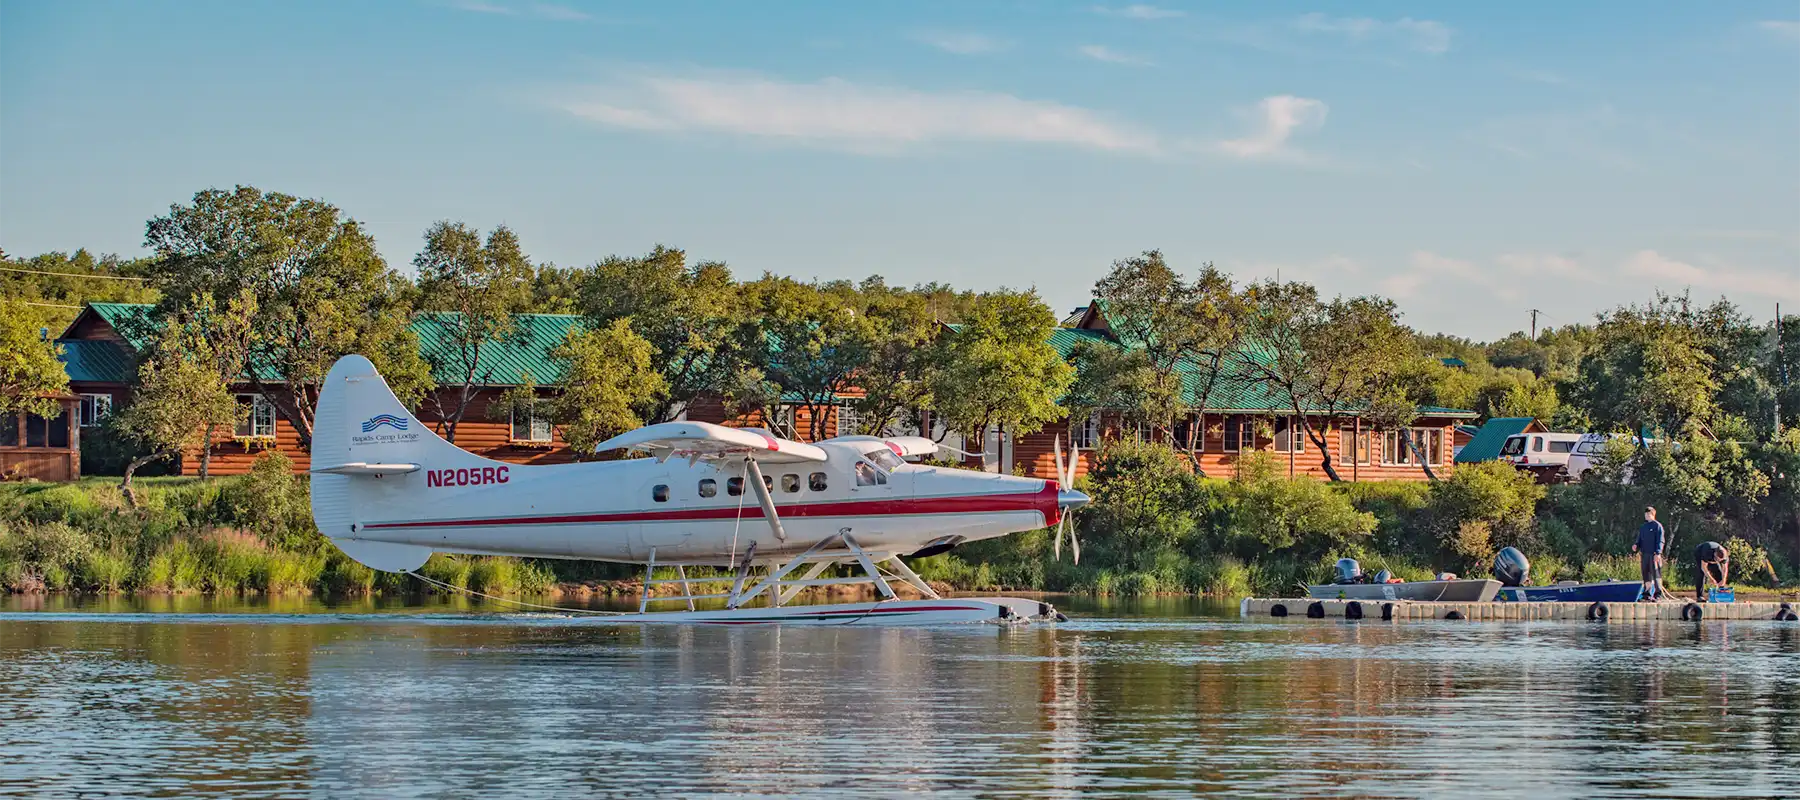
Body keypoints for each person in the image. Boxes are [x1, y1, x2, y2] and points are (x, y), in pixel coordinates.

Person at [1630, 506, 1665, 600]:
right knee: (1646, 574)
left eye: (1648, 514)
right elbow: (1640, 539)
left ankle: (1658, 594)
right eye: (1645, 514)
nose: (1646, 516)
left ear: (1653, 514)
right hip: (1645, 554)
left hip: (1654, 554)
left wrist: (1658, 553)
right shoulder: (1643, 527)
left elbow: (1661, 540)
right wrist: (1636, 545)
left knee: (1656, 574)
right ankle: (1647, 593)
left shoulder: (1657, 526)